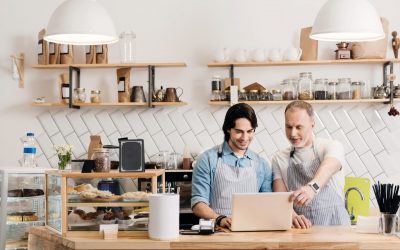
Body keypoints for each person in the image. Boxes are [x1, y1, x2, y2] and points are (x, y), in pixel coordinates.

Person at [191, 103, 273, 229]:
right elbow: (198, 203)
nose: (245, 138)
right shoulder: (207, 159)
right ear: (228, 129)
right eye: (239, 132)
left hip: (251, 232)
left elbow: (269, 204)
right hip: (218, 231)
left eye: (250, 131)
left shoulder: (261, 164)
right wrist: (220, 218)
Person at [272, 100, 349, 229]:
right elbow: (280, 197)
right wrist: (292, 216)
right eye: (289, 127)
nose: (293, 134)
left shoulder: (330, 146)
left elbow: (329, 167)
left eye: (299, 127)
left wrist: (311, 188)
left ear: (312, 124)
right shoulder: (279, 158)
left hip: (337, 228)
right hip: (302, 232)